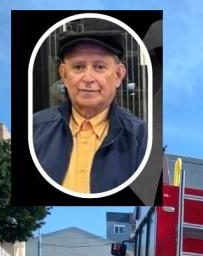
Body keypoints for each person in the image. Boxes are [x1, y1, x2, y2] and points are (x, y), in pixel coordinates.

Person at [32, 30, 147, 194]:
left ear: (118, 75)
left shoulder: (141, 138)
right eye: (78, 67)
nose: (88, 78)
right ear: (64, 74)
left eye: (99, 67)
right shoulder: (35, 129)